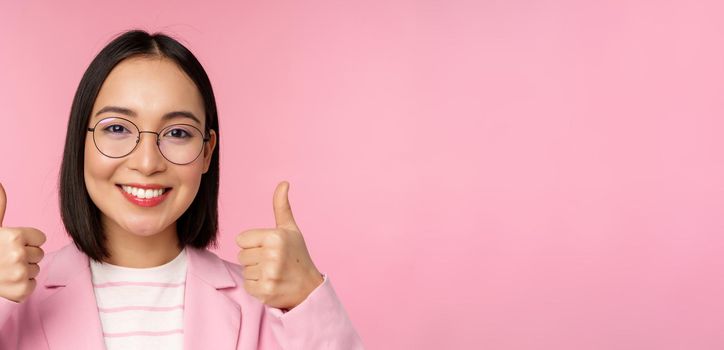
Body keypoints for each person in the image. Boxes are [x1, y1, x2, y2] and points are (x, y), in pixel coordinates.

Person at [0, 29, 363, 349]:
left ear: (206, 152)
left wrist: (307, 296)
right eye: (116, 128)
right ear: (80, 142)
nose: (146, 162)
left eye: (177, 133)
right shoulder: (11, 299)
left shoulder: (267, 307)